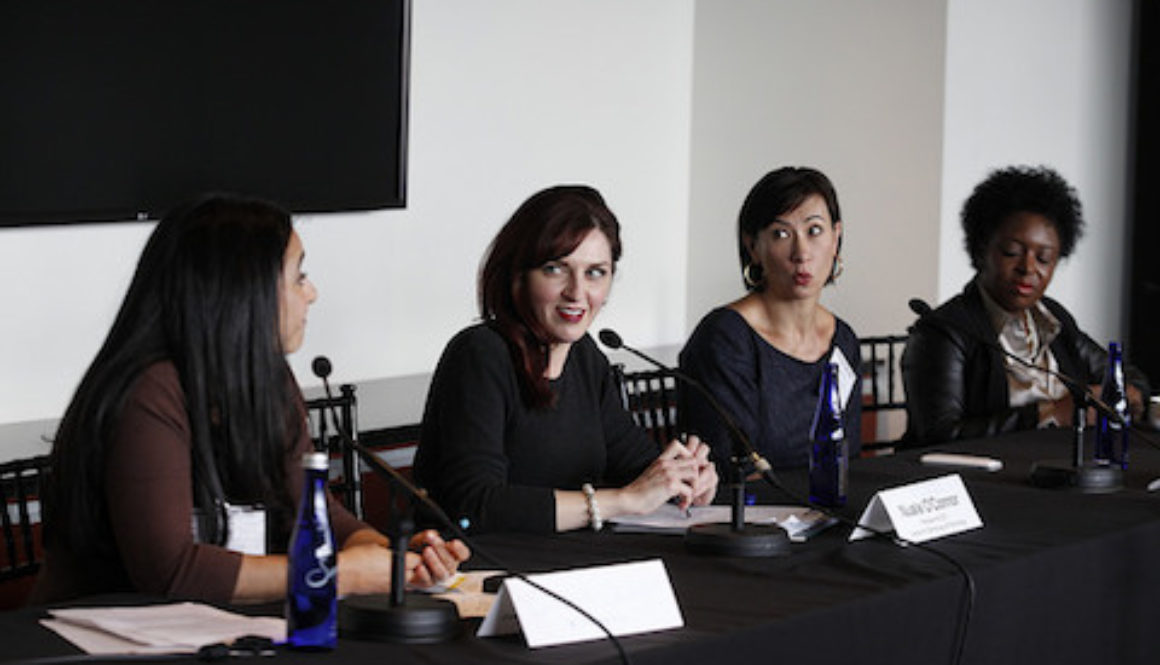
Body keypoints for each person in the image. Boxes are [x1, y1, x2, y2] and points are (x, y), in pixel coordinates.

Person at [33, 194, 469, 605]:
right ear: (243, 292)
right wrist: (343, 574)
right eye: (298, 277)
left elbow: (319, 518)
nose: (311, 293)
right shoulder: (150, 392)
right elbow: (170, 572)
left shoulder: (267, 380)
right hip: (99, 640)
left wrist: (392, 556)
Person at [414, 185, 718, 534]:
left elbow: (637, 467)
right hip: (482, 572)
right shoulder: (480, 355)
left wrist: (684, 479)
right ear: (518, 276)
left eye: (595, 273)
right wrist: (621, 501)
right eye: (556, 269)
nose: (576, 292)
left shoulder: (586, 357)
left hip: (567, 563)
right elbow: (475, 507)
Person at [902, 165, 1150, 444]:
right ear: (983, 249)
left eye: (1044, 258)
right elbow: (939, 435)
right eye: (1012, 253)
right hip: (984, 480)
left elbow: (1123, 375)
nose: (1028, 268)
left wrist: (1129, 392)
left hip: (1058, 472)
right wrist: (1051, 413)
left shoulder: (1051, 317)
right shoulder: (943, 332)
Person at [679, 167, 862, 469]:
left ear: (836, 237)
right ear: (753, 247)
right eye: (781, 234)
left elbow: (849, 458)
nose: (801, 253)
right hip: (751, 510)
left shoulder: (842, 340)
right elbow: (730, 468)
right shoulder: (725, 339)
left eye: (814, 230)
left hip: (829, 506)